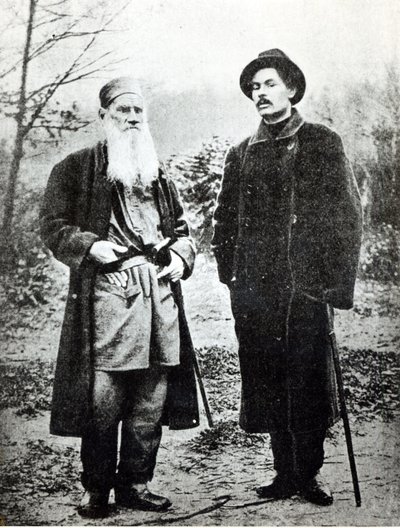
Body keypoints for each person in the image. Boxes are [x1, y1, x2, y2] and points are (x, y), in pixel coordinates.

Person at [40, 77, 199, 518]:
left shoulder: (157, 173)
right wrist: (91, 246)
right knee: (105, 397)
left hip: (160, 296)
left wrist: (180, 256)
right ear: (104, 116)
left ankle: (136, 483)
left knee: (152, 396)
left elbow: (182, 229)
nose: (131, 118)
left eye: (137, 111)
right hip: (110, 295)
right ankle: (96, 488)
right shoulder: (76, 168)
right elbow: (53, 225)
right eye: (122, 111)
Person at [212, 49, 362, 506]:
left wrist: (336, 284)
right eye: (254, 87)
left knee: (308, 380)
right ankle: (283, 473)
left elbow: (348, 214)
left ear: (292, 89)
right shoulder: (242, 153)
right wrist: (231, 276)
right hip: (257, 292)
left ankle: (308, 474)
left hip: (307, 289)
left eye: (269, 84)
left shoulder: (321, 142)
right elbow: (224, 220)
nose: (260, 93)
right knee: (269, 379)